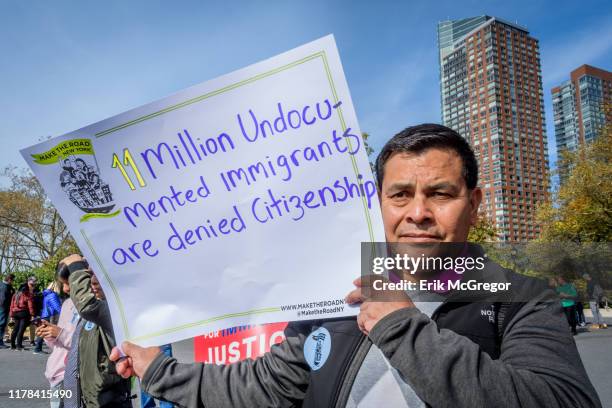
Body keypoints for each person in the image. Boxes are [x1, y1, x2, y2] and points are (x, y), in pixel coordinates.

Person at [103, 124, 600, 407]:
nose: (418, 213)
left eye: (440, 194)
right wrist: (158, 370)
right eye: (400, 195)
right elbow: (265, 385)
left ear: (473, 204)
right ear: (378, 204)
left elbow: (562, 402)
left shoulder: (520, 297)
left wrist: (401, 325)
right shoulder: (337, 290)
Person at [58, 257, 132, 408]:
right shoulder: (87, 317)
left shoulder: (117, 311)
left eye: (99, 275)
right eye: (90, 274)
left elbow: (87, 306)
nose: (93, 280)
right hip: (80, 399)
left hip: (105, 402)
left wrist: (76, 266)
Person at [37, 263, 81, 408]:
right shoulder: (67, 304)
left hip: (72, 374)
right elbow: (57, 345)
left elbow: (85, 344)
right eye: (62, 284)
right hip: (55, 373)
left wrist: (60, 334)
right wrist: (49, 333)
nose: (65, 289)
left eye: (67, 283)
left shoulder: (88, 307)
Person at [34, 282, 63, 354]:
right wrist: (63, 312)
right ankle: (38, 349)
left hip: (45, 314)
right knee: (45, 331)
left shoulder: (47, 294)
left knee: (43, 331)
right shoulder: (52, 295)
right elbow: (56, 306)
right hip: (50, 315)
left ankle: (38, 348)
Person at [9, 282, 35, 350]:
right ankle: (19, 346)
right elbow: (30, 306)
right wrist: (32, 314)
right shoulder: (27, 294)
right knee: (21, 330)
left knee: (15, 329)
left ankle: (12, 345)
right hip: (24, 313)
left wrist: (11, 315)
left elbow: (11, 306)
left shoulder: (15, 294)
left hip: (15, 313)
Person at [0, 273, 15, 348]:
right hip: (3, 308)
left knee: (2, 324)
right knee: (2, 324)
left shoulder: (3, 284)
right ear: (9, 280)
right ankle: (0, 342)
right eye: (12, 281)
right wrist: (6, 308)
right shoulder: (5, 287)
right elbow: (3, 299)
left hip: (3, 307)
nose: (13, 282)